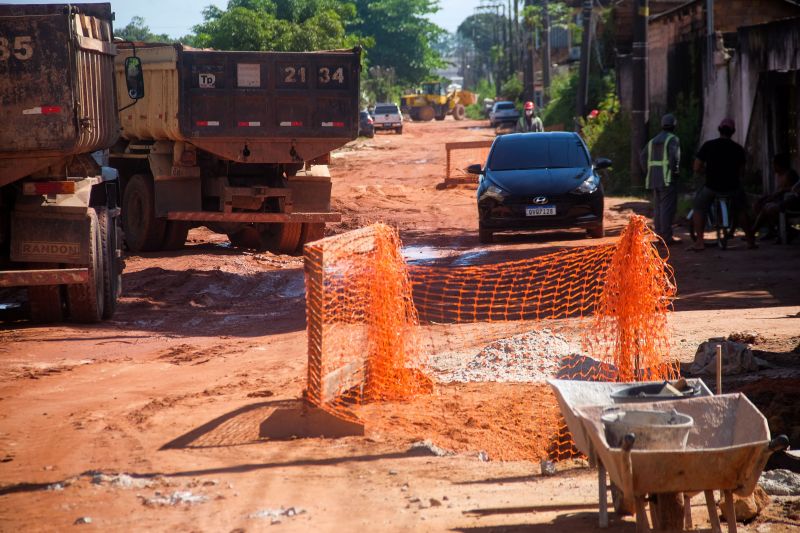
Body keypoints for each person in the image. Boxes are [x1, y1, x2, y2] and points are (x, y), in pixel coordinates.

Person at [690, 117, 755, 250]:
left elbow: (696, 167)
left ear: (719, 130)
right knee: (742, 210)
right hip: (733, 187)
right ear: (733, 132)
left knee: (699, 207)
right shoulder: (738, 149)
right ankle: (750, 241)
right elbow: (742, 172)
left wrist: (705, 172)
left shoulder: (709, 145)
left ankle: (700, 242)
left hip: (712, 187)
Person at [640, 113, 681, 244]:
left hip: (653, 179)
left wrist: (648, 172)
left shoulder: (652, 141)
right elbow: (674, 158)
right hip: (667, 179)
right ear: (674, 125)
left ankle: (659, 235)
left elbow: (642, 157)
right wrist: (675, 171)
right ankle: (666, 238)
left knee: (658, 208)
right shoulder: (673, 139)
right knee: (667, 209)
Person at [752, 153, 800, 239]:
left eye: (773, 164)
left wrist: (781, 192)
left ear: (779, 165)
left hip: (789, 202)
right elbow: (777, 191)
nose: (772, 166)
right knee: (757, 205)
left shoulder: (789, 174)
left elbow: (793, 190)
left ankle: (752, 232)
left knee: (766, 207)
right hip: (779, 199)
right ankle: (771, 231)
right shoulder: (778, 175)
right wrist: (768, 197)